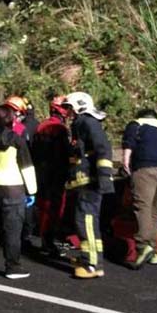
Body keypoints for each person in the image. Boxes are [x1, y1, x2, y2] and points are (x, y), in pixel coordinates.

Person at [0, 105, 37, 279]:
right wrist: (31, 191)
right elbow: (27, 167)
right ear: (11, 120)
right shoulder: (17, 141)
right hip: (12, 189)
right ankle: (12, 267)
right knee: (12, 230)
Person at [63, 92, 114, 279]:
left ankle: (92, 264)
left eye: (70, 108)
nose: (68, 112)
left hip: (89, 183)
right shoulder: (81, 124)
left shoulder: (88, 123)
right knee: (84, 222)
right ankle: (89, 258)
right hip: (83, 182)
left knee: (87, 223)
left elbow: (103, 150)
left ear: (80, 106)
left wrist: (104, 177)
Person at [121, 108, 157, 268]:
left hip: (145, 168)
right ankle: (154, 252)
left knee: (142, 206)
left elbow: (128, 144)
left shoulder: (137, 124)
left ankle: (143, 246)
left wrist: (125, 162)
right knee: (156, 211)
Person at [31, 96, 71, 257]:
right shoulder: (59, 129)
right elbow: (64, 154)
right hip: (55, 173)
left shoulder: (42, 126)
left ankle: (45, 240)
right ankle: (48, 241)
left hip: (41, 173)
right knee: (53, 209)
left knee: (43, 208)